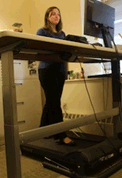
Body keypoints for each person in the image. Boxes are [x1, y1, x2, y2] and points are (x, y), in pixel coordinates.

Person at [36, 6, 75, 146]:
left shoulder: (62, 34)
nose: (56, 16)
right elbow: (41, 48)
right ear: (47, 17)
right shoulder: (42, 31)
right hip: (47, 70)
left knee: (51, 101)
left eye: (58, 14)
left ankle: (43, 131)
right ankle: (61, 135)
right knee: (55, 102)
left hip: (60, 70)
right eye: (53, 14)